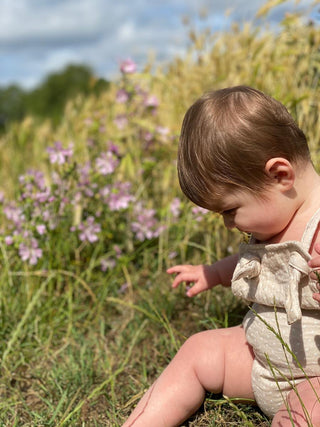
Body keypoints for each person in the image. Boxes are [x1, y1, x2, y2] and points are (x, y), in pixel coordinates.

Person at [122, 86, 320, 427]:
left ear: (279, 175)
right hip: (262, 362)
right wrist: (212, 272)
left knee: (302, 414)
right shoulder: (275, 221)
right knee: (199, 349)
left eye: (229, 210)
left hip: (313, 378)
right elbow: (258, 264)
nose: (229, 224)